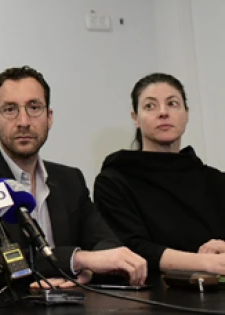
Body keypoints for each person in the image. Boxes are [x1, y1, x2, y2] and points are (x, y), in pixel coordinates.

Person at [0, 66, 147, 287]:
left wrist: (87, 272)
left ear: (49, 117)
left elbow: (104, 242)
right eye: (10, 109)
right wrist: (76, 260)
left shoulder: (69, 179)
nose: (23, 121)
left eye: (34, 107)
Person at [94, 73, 225, 281]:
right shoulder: (114, 180)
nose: (163, 113)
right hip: (154, 297)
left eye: (172, 104)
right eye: (150, 106)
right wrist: (206, 263)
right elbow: (131, 248)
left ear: (187, 114)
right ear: (135, 118)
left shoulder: (215, 180)